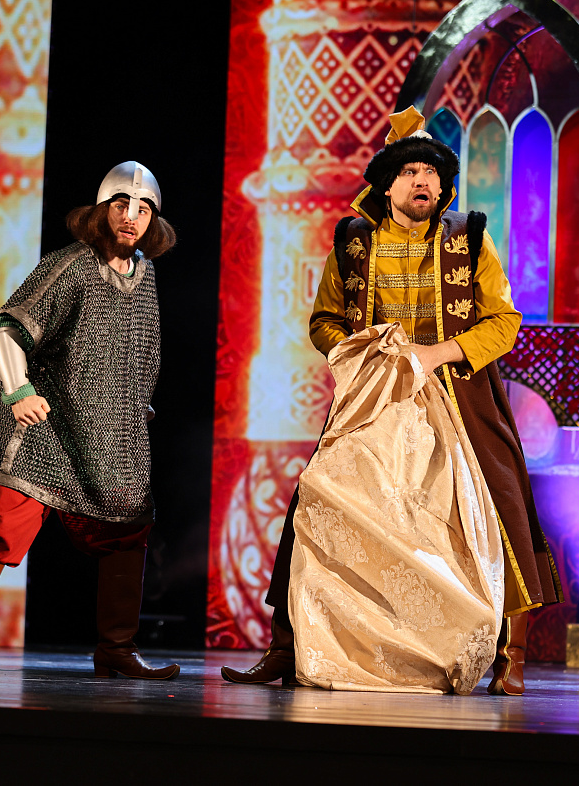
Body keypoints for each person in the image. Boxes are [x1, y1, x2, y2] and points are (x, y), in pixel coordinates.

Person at [222, 107, 561, 695]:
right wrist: (362, 354)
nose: (423, 181)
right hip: (375, 395)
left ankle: (513, 654)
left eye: (431, 172)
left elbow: (504, 321)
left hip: (456, 390)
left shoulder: (469, 238)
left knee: (500, 496)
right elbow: (324, 320)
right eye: (409, 171)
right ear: (386, 183)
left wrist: (437, 354)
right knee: (317, 498)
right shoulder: (354, 244)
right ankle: (287, 644)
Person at [0, 161, 180, 680]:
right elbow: (5, 327)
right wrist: (19, 389)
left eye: (143, 209)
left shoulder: (147, 275)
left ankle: (116, 649)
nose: (131, 216)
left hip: (110, 433)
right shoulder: (72, 265)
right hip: (43, 428)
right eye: (121, 204)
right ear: (102, 209)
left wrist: (138, 403)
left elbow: (140, 350)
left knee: (127, 528)